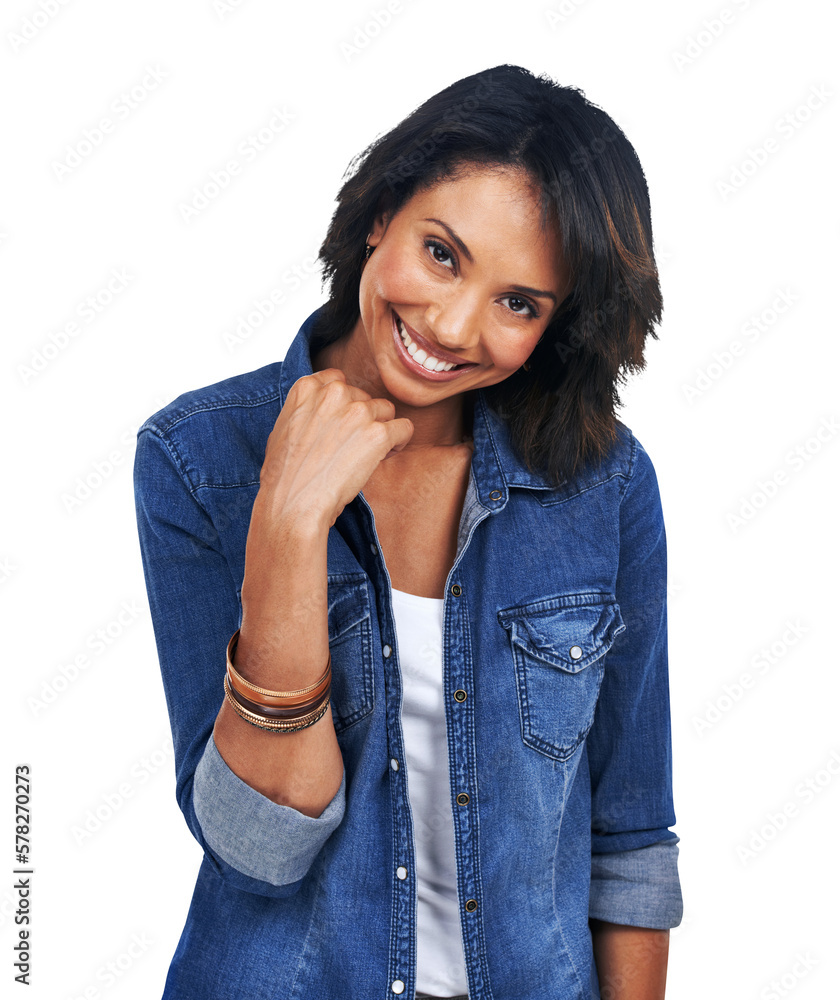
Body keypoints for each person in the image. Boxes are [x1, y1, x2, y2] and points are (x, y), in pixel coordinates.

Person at [133, 63, 683, 1000]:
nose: (454, 324)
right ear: (382, 211)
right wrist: (290, 521)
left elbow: (629, 839)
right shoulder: (200, 458)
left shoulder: (605, 487)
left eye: (520, 303)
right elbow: (261, 843)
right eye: (442, 253)